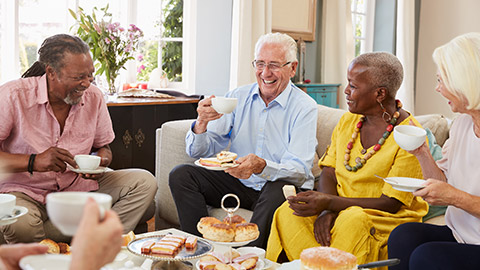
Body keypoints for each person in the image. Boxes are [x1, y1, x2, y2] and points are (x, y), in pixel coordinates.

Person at [265, 52, 429, 265]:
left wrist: (331, 204)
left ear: (380, 94)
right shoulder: (348, 121)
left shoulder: (410, 135)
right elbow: (329, 172)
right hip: (339, 207)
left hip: (381, 216)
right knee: (289, 211)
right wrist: (326, 210)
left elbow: (391, 203)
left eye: (353, 86)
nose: (347, 91)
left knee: (353, 219)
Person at [0, 34, 157, 243]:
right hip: (24, 190)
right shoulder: (13, 95)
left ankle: (96, 246)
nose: (86, 83)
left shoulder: (94, 97)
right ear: (51, 73)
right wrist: (33, 161)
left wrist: (101, 161)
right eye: (78, 77)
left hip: (77, 188)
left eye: (90, 75)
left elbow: (104, 147)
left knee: (144, 182)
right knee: (20, 223)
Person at [168, 32, 318, 248]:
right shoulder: (237, 97)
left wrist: (261, 166)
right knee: (182, 174)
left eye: (274, 65)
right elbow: (200, 151)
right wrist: (201, 123)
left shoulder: (304, 107)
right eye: (260, 63)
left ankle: (247, 258)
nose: (265, 72)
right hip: (241, 182)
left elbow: (299, 170)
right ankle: (199, 250)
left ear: (292, 68)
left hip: (277, 188)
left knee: (278, 188)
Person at [388, 33, 480, 270]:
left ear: (466, 81)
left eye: (442, 80)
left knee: (427, 257)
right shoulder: (462, 124)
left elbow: (451, 193)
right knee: (403, 235)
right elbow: (443, 181)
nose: (437, 88)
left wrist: (455, 197)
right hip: (461, 234)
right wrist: (422, 152)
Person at [0, 198, 123, 270]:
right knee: (22, 225)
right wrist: (84, 265)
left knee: (140, 181)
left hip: (74, 184)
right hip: (25, 190)